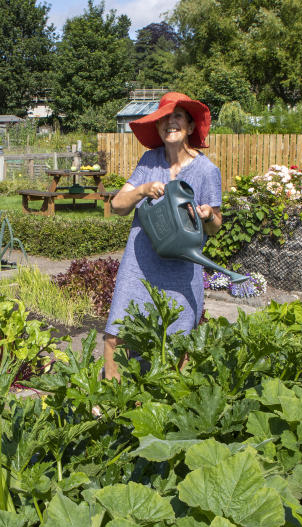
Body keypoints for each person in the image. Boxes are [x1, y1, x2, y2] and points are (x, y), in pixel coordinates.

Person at [102, 92, 223, 380]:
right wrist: (142, 190)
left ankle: (164, 408)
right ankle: (110, 403)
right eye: (164, 119)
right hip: (139, 265)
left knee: (174, 345)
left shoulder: (207, 170)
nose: (171, 123)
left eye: (178, 116)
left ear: (191, 127)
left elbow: (216, 224)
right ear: (157, 128)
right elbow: (117, 205)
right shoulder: (149, 161)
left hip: (180, 271)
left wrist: (207, 216)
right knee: (115, 335)